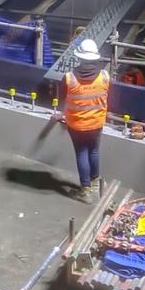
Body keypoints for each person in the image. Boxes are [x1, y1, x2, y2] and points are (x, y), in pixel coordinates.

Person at [53, 38, 110, 202]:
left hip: (76, 125)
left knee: (81, 153)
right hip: (97, 123)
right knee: (94, 151)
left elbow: (66, 99)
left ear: (80, 58)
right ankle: (95, 182)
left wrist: (62, 115)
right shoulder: (105, 77)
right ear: (95, 58)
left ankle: (85, 190)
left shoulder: (69, 78)